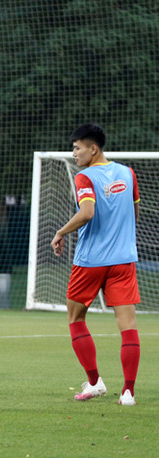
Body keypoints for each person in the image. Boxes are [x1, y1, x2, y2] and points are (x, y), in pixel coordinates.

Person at [51, 123, 141, 406]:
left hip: (90, 261)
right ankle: (128, 392)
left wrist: (60, 232)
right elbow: (134, 210)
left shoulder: (85, 177)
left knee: (76, 319)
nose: (74, 153)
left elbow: (87, 212)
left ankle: (94, 383)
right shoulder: (128, 174)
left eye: (77, 147)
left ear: (94, 148)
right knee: (128, 326)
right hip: (123, 260)